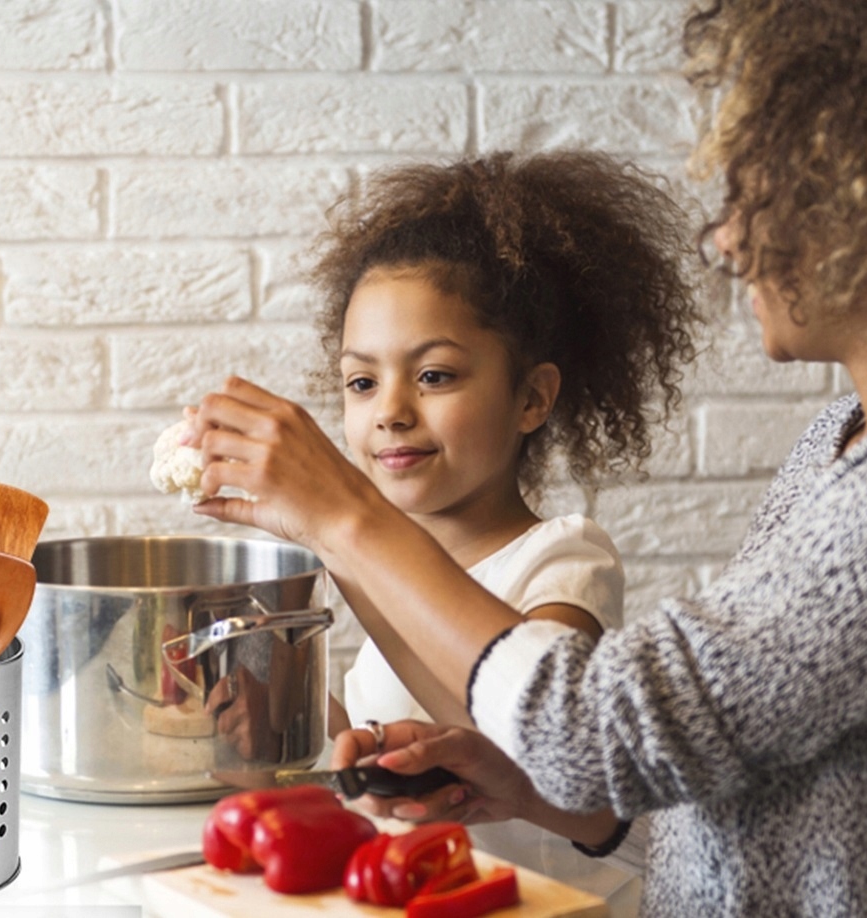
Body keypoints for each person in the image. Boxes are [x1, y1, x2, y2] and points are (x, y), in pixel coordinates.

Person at [181, 0, 867, 914]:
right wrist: (547, 802)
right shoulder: (846, 442)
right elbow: (724, 775)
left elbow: (597, 728)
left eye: (756, 194)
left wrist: (342, 516)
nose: (727, 240)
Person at [300, 150, 699, 902]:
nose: (390, 411)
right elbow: (388, 755)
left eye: (434, 375)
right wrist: (289, 709)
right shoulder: (387, 569)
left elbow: (527, 746)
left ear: (531, 398)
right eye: (362, 381)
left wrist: (347, 539)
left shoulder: (563, 559)